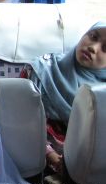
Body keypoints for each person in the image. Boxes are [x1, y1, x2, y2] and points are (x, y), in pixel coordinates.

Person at [21, 21, 106, 173]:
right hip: (35, 162)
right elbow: (19, 123)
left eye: (105, 48)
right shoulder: (40, 71)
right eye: (93, 37)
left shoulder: (102, 95)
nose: (93, 47)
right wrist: (52, 156)